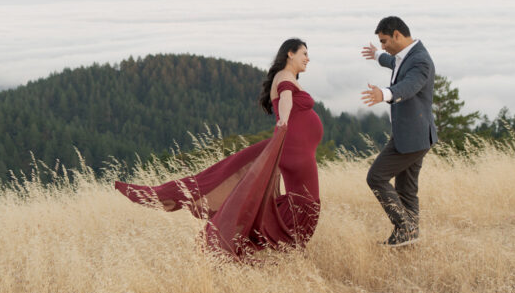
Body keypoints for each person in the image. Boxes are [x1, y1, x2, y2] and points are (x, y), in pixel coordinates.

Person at [115, 38, 323, 261]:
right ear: (290, 54)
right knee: (307, 203)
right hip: (296, 152)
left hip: (297, 150)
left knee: (300, 201)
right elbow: (286, 101)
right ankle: (270, 244)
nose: (307, 59)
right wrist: (283, 123)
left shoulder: (286, 77)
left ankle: (279, 249)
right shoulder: (284, 77)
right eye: (304, 53)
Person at [360, 16, 437, 246]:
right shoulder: (406, 56)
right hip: (415, 137)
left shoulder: (421, 61)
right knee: (406, 189)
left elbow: (409, 85)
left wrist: (384, 94)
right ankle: (410, 240)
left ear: (397, 35)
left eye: (384, 41)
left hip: (413, 136)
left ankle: (405, 228)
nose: (384, 46)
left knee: (376, 177)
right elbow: (393, 63)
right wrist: (377, 55)